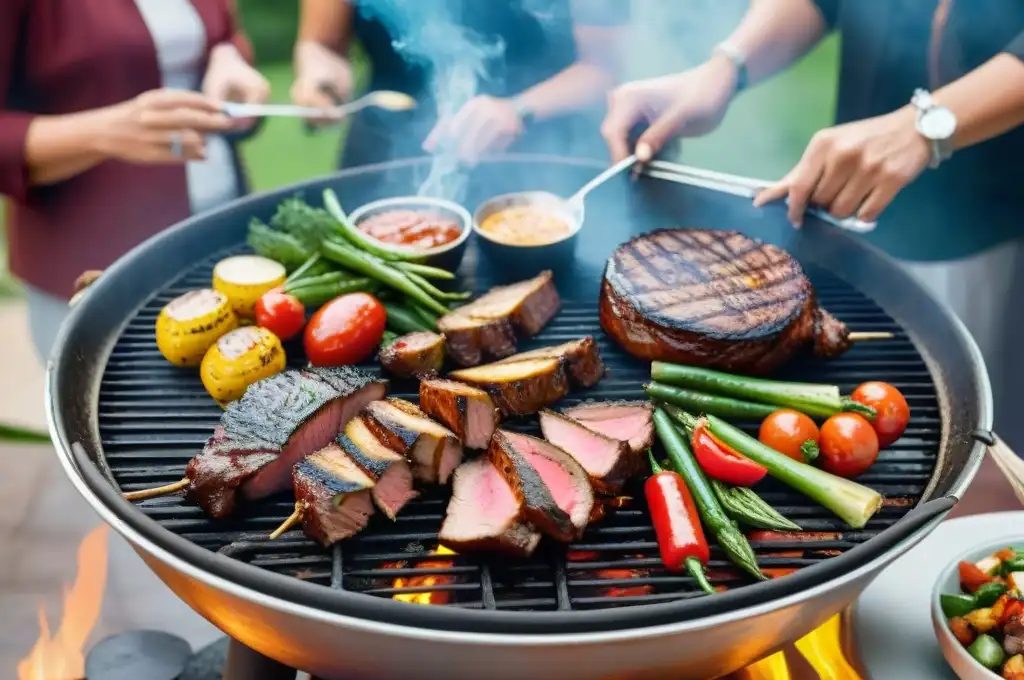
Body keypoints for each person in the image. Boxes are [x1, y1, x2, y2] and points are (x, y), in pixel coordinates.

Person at [601, 0, 1024, 447]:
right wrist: (726, 67)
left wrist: (925, 126)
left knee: (980, 429)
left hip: (982, 226)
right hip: (846, 206)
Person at [0, 0, 271, 360]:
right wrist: (101, 132)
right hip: (94, 273)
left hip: (222, 243)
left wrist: (228, 57)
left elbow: (219, 36)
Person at [290, 0, 626, 168]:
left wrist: (519, 109)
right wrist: (319, 76)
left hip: (538, 153)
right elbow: (320, 45)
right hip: (384, 147)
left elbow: (603, 67)